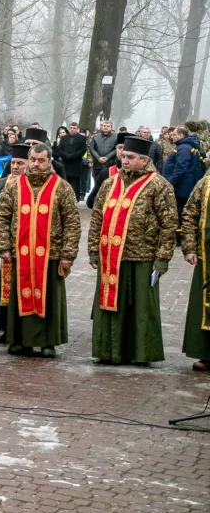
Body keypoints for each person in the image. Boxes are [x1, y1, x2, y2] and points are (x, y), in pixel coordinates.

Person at [88, 135, 175, 365]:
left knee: (140, 308)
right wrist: (93, 251)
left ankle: (140, 353)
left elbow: (169, 224)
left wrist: (162, 258)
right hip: (110, 258)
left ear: (144, 160)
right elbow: (97, 218)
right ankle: (109, 351)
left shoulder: (159, 185)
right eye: (123, 156)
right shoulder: (110, 183)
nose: (124, 161)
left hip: (143, 257)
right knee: (111, 305)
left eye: (130, 157)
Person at [0, 143, 81, 357]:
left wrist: (68, 254)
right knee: (18, 298)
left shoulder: (61, 187)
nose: (36, 164)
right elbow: (1, 216)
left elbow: (72, 222)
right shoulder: (15, 185)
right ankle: (19, 340)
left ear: (49, 161)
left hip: (50, 254)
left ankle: (48, 342)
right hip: (20, 253)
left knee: (49, 299)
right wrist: (3, 246)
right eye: (33, 159)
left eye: (41, 160)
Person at [0, 143, 29, 343]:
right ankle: (7, 325)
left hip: (31, 243)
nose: (16, 167)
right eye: (13, 163)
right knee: (8, 285)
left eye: (21, 163)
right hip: (8, 245)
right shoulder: (2, 184)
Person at [180, 173, 210, 371]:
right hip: (207, 256)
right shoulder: (206, 183)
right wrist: (190, 247)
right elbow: (190, 213)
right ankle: (207, 354)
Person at [162, 125, 204, 237]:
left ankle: (179, 235)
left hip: (181, 186)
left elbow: (181, 168)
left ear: (181, 135)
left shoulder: (184, 148)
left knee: (179, 210)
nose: (172, 137)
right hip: (186, 183)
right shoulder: (189, 146)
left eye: (174, 135)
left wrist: (170, 183)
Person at [87, 131, 127, 209]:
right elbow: (91, 201)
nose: (122, 151)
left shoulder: (141, 175)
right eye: (120, 147)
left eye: (126, 148)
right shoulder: (106, 173)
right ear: (115, 150)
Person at [56, 122, 88, 200]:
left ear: (77, 129)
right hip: (65, 163)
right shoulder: (63, 138)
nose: (72, 129)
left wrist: (73, 156)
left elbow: (83, 150)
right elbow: (60, 149)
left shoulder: (82, 138)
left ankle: (74, 199)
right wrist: (66, 155)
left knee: (75, 183)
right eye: (71, 128)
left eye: (74, 128)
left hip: (76, 164)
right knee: (65, 181)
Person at [89, 119, 117, 186]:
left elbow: (116, 149)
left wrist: (107, 157)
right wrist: (98, 158)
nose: (106, 127)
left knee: (108, 184)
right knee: (97, 183)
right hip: (97, 164)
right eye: (104, 126)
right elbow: (92, 148)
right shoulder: (95, 136)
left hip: (110, 164)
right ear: (101, 127)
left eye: (108, 126)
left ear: (111, 128)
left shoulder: (116, 136)